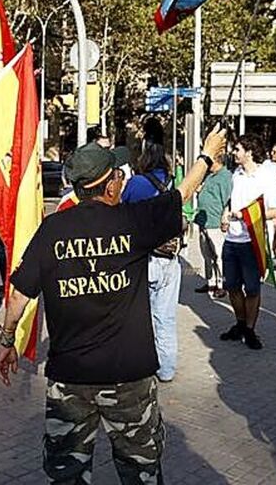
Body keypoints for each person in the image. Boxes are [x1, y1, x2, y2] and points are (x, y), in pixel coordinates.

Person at [0, 125, 227, 484]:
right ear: (109, 185)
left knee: (67, 474)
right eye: (118, 175)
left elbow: (18, 296)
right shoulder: (132, 222)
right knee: (141, 472)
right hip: (129, 379)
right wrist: (207, 154)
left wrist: (7, 341)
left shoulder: (51, 230)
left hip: (70, 378)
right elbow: (180, 195)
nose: (121, 181)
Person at [122, 140, 182, 382]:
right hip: (170, 258)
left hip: (143, 258)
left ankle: (140, 365)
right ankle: (166, 369)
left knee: (138, 316)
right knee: (165, 317)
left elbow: (122, 212)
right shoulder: (172, 182)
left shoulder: (136, 183)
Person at [219, 134, 276, 351]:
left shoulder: (265, 178)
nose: (233, 152)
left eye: (237, 149)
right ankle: (239, 323)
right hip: (231, 240)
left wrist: (247, 215)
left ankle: (250, 328)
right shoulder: (234, 175)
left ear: (249, 152)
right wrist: (225, 215)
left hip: (251, 241)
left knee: (253, 289)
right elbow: (230, 201)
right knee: (232, 286)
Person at [193, 156, 232, 297]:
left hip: (215, 221)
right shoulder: (210, 176)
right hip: (203, 220)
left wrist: (225, 217)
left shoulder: (225, 177)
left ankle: (222, 284)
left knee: (219, 255)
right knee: (207, 254)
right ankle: (211, 281)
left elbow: (227, 198)